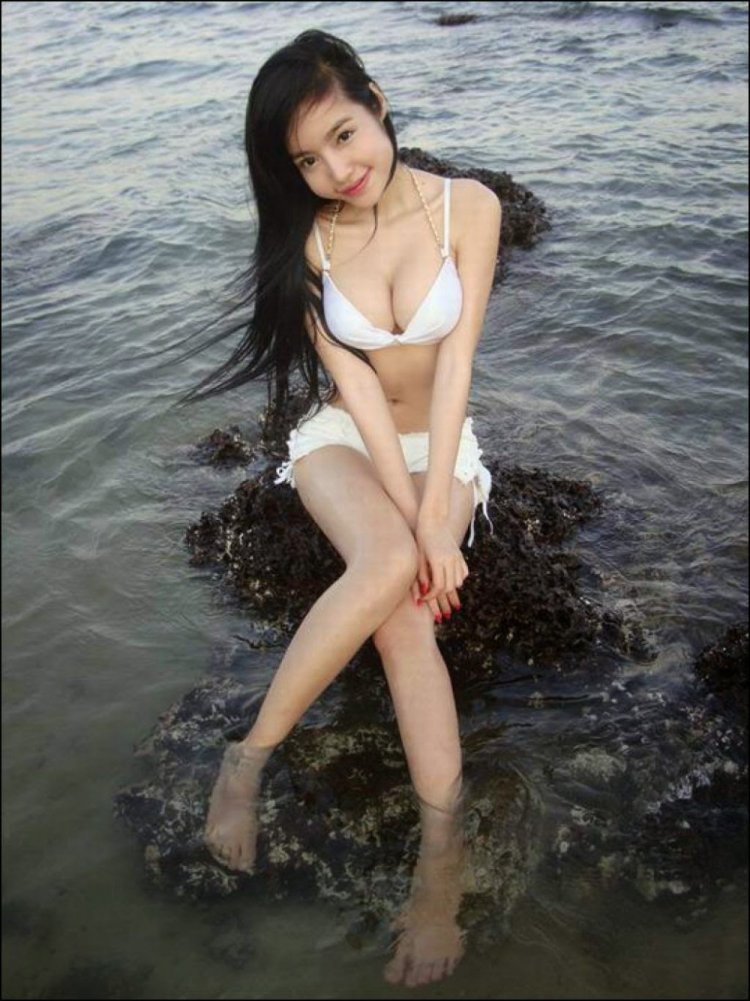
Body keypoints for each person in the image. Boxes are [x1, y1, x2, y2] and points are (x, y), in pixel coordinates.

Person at [175, 29, 502, 988]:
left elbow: (458, 366)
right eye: (307, 161)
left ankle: (440, 865)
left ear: (378, 101)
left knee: (407, 615)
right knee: (391, 564)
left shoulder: (469, 208)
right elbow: (355, 390)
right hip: (343, 442)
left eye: (344, 135)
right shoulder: (308, 243)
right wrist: (416, 529)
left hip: (441, 442)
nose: (335, 171)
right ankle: (247, 758)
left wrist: (438, 514)